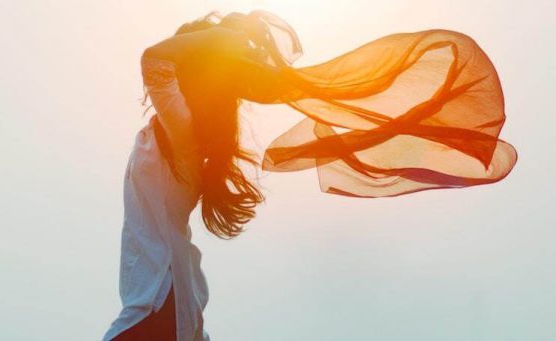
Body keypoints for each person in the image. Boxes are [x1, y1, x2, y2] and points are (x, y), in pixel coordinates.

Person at [105, 10, 515, 341]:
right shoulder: (185, 133)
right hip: (169, 301)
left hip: (160, 298)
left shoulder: (184, 130)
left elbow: (156, 60)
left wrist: (220, 41)